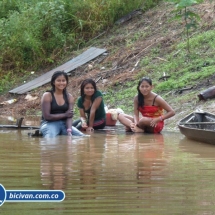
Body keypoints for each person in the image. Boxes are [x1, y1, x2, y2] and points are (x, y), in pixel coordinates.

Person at [39, 71, 85, 138]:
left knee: (83, 137)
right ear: (53, 82)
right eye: (58, 81)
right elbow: (47, 117)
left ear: (66, 82)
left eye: (63, 81)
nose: (61, 83)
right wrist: (65, 115)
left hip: (65, 125)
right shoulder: (47, 95)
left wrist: (69, 131)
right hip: (49, 124)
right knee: (49, 138)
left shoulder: (69, 97)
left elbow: (69, 116)